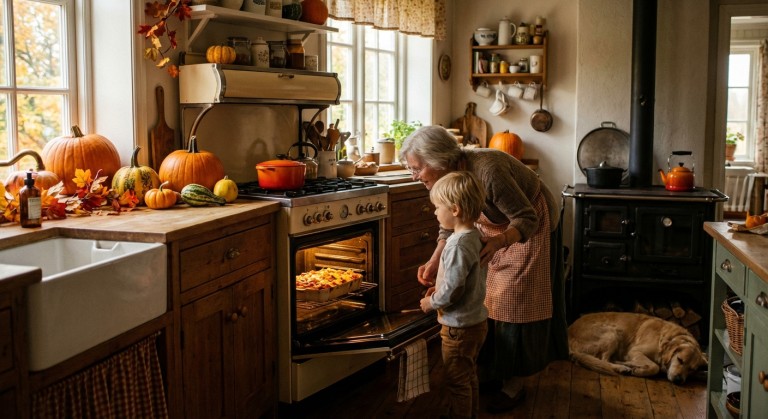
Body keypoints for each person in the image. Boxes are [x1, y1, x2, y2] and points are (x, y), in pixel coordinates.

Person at [401, 125, 569, 413]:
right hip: (495, 226)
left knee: (515, 299)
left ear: (439, 160)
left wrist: (501, 241)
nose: (414, 176)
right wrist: (434, 259)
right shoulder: (450, 179)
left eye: (417, 168)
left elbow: (524, 215)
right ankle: (493, 372)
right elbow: (448, 226)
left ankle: (515, 383)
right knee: (489, 297)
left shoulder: (488, 171)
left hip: (530, 220)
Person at [419, 171, 488, 419]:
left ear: (455, 209)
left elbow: (454, 290)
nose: (436, 213)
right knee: (469, 376)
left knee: (457, 383)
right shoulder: (474, 235)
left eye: (438, 207)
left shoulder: (458, 244)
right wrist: (439, 288)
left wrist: (431, 302)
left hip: (459, 328)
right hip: (475, 322)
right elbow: (462, 280)